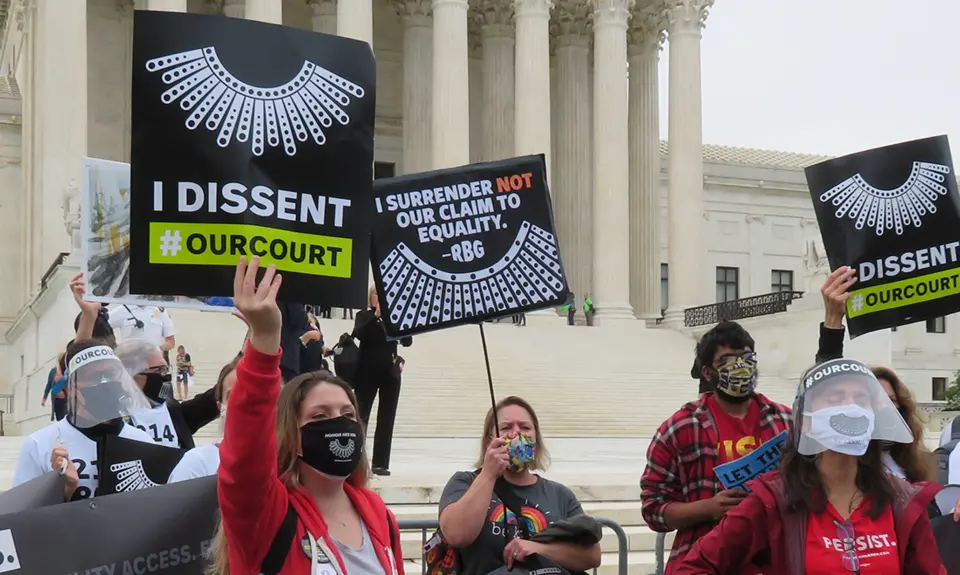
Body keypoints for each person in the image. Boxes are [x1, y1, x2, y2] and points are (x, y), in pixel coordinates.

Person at [208, 256, 403, 575]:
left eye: (347, 414)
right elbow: (245, 456)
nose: (338, 423)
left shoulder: (379, 515)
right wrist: (266, 341)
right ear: (291, 435)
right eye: (320, 416)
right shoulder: (267, 512)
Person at [675, 358, 945, 574]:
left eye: (862, 400)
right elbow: (693, 567)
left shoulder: (900, 500)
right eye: (837, 397)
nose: (852, 409)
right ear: (805, 419)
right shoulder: (773, 501)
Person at [640, 321, 793, 573]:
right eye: (728, 359)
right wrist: (709, 508)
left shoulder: (786, 423)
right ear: (708, 373)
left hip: (773, 559)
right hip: (704, 562)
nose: (740, 366)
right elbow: (653, 509)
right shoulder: (679, 429)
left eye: (746, 357)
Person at [438, 396, 602, 574]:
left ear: (536, 438)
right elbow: (457, 535)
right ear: (489, 441)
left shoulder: (560, 494)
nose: (517, 434)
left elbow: (591, 555)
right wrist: (488, 474)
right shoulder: (465, 483)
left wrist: (539, 549)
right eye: (506, 428)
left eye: (525, 427)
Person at [817, 267, 936, 483]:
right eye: (872, 400)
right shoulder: (851, 465)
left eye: (890, 401)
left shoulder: (912, 465)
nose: (884, 409)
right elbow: (827, 383)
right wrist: (833, 321)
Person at [13, 340, 155, 501]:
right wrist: (62, 490)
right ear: (71, 388)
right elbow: (20, 514)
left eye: (110, 374)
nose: (105, 382)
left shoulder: (143, 441)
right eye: (92, 377)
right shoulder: (39, 445)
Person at [116, 339, 220, 450]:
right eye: (159, 370)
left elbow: (217, 397)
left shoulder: (173, 410)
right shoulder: (115, 419)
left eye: (166, 369)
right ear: (132, 375)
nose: (166, 376)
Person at [353, 285, 412, 476]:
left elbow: (407, 341)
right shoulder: (364, 316)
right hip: (366, 371)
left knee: (387, 417)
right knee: (361, 414)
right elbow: (360, 334)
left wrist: (401, 320)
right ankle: (356, 458)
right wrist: (377, 315)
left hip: (390, 372)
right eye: (376, 294)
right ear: (370, 297)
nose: (380, 297)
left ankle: (381, 462)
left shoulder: (393, 317)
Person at [168, 356, 240, 482]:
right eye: (234, 395)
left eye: (256, 396)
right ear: (220, 406)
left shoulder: (283, 463)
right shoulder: (196, 465)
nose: (245, 402)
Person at [107, 302, 176, 352]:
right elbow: (100, 328)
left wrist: (157, 349)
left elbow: (171, 341)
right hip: (131, 362)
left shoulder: (159, 311)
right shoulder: (121, 310)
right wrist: (116, 349)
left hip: (154, 363)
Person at [42, 351, 69, 421]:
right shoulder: (53, 371)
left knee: (64, 417)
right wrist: (44, 398)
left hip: (65, 399)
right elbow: (48, 385)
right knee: (59, 418)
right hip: (56, 400)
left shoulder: (67, 370)